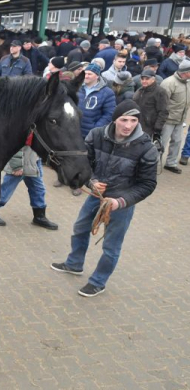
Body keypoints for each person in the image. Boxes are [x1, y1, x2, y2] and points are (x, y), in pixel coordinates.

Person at [51, 100, 158, 297]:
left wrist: (120, 202)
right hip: (96, 196)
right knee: (80, 228)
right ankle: (74, 264)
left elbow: (147, 185)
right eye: (124, 120)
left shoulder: (146, 148)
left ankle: (98, 282)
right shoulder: (97, 135)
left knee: (111, 246)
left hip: (121, 204)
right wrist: (91, 182)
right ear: (115, 119)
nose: (128, 125)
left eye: (133, 120)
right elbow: (84, 163)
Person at [0, 145, 58, 230]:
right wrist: (17, 166)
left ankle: (39, 217)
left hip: (34, 161)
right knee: (6, 190)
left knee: (38, 189)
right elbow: (15, 145)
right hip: (21, 165)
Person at [159, 59, 190, 174]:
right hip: (168, 119)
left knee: (177, 141)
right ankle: (151, 164)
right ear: (185, 72)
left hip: (180, 118)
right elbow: (162, 103)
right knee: (161, 142)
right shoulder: (169, 83)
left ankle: (171, 163)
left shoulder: (188, 82)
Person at [77, 63, 116, 139]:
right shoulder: (77, 89)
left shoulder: (107, 92)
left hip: (92, 134)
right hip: (75, 131)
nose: (86, 76)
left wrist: (96, 128)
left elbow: (109, 114)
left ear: (97, 76)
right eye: (85, 73)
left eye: (90, 74)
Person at [132, 69, 169, 139]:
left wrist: (157, 128)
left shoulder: (160, 92)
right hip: (136, 124)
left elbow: (163, 111)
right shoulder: (139, 90)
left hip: (149, 127)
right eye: (142, 79)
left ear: (153, 79)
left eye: (147, 79)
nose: (144, 81)